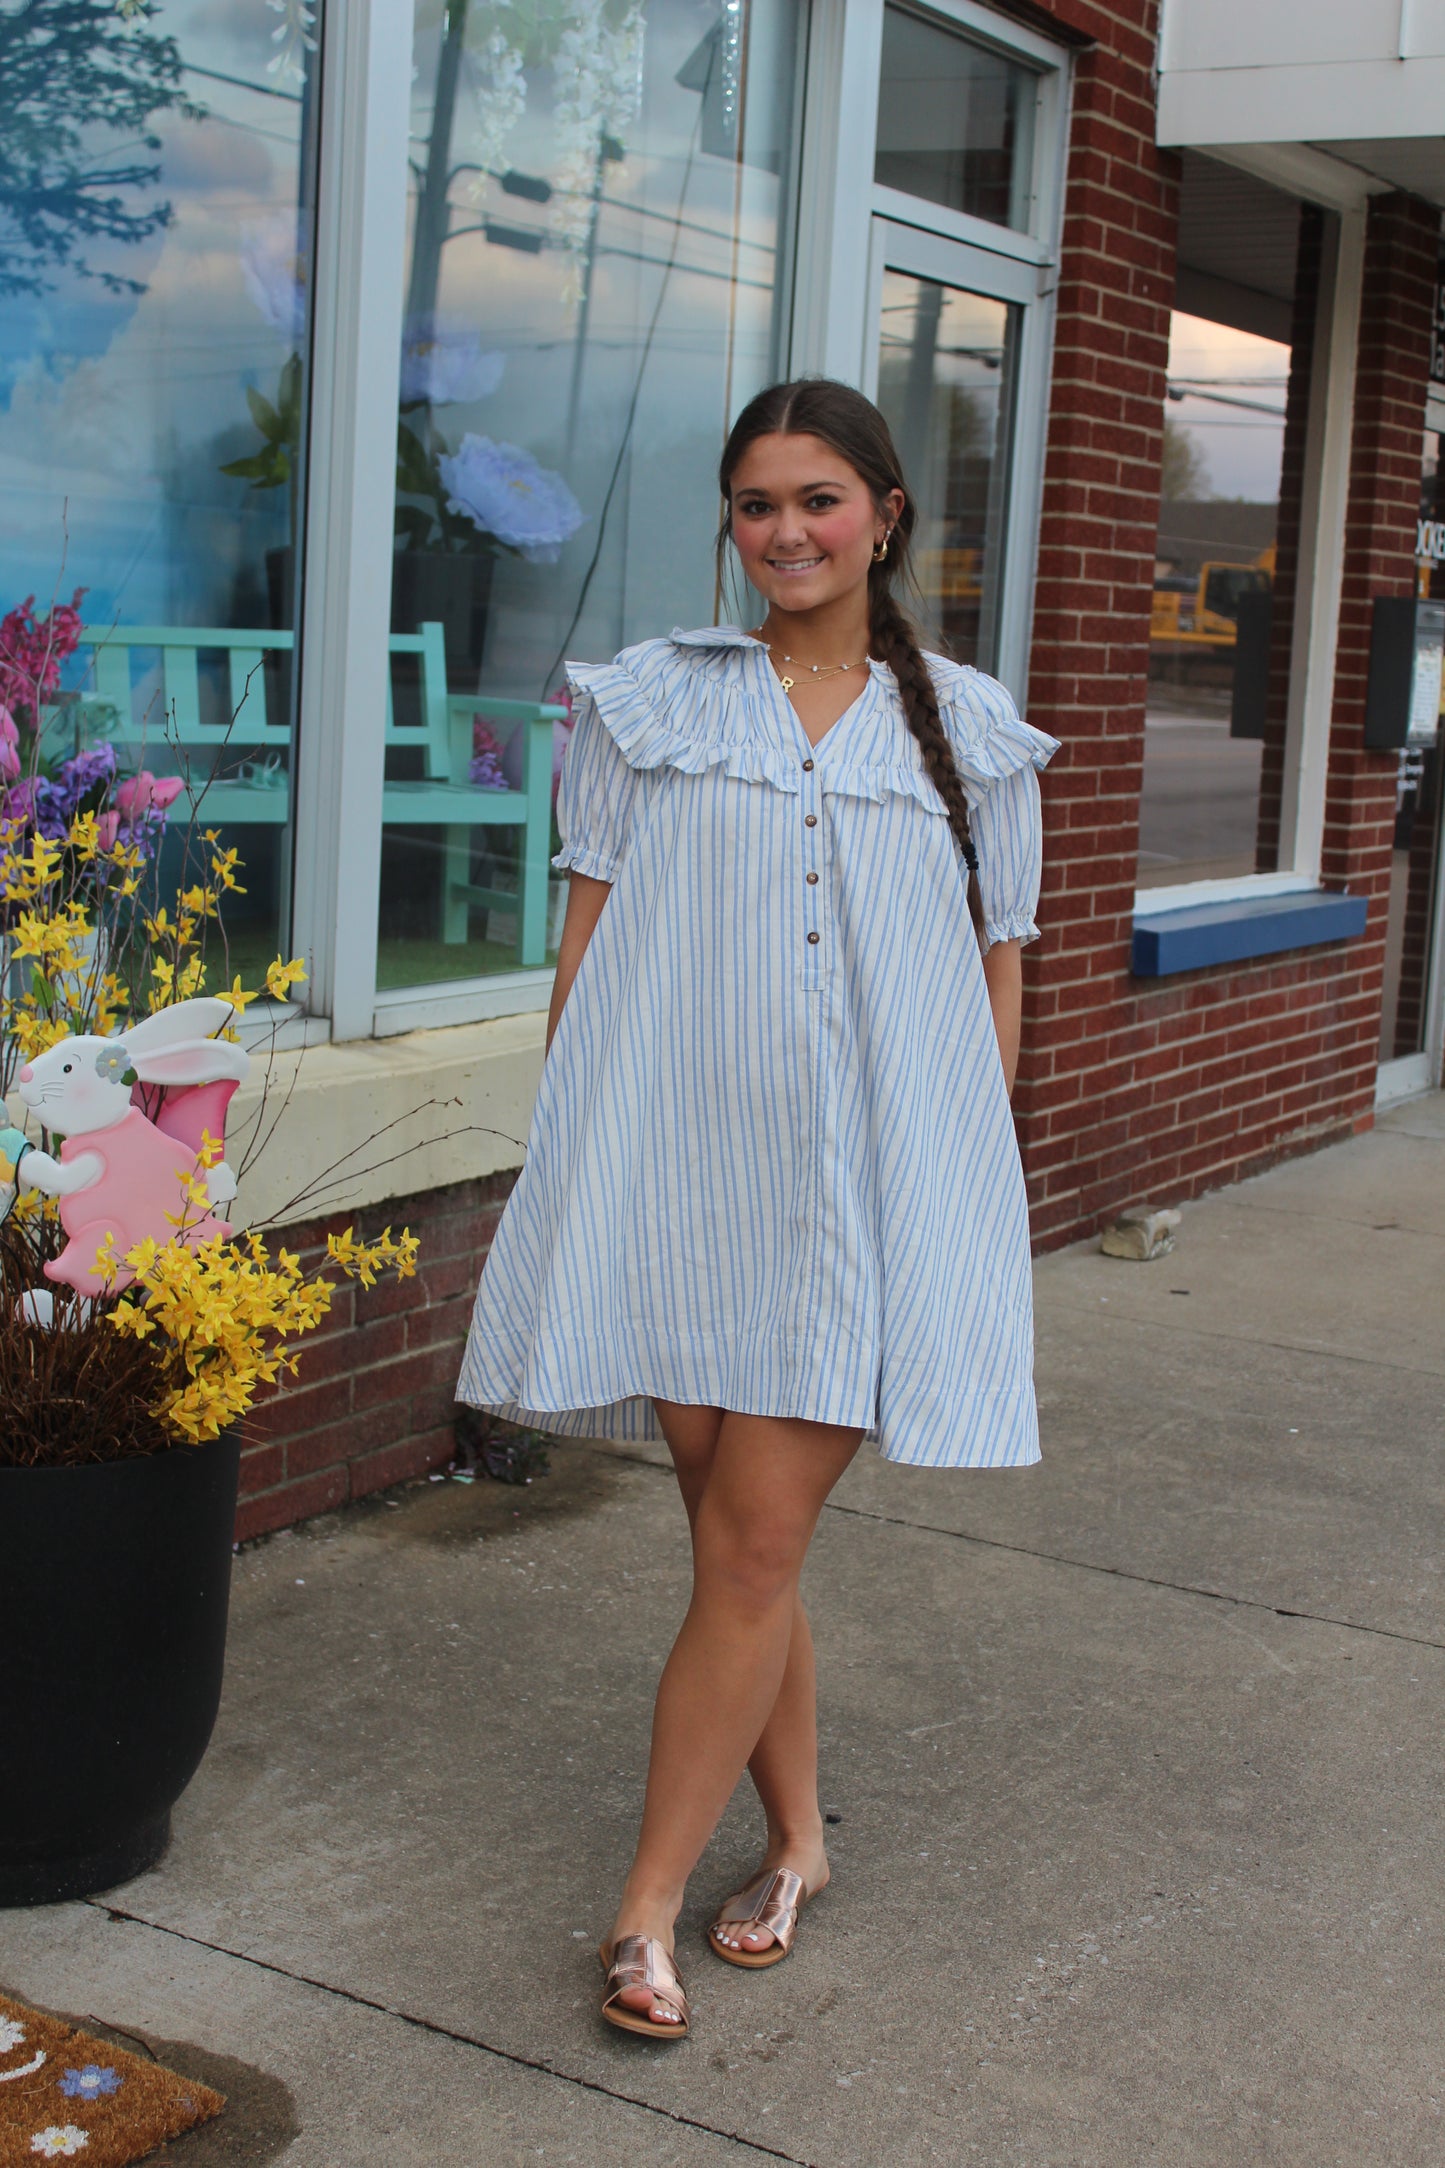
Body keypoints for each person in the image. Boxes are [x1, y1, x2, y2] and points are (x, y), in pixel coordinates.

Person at [457, 376, 1059, 2041]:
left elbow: (993, 975)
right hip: (679, 1177)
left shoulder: (972, 731)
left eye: (816, 500)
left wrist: (964, 1176)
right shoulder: (648, 701)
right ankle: (795, 1844)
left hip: (863, 1197)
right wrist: (574, 1150)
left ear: (882, 514)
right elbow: (588, 944)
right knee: (735, 1544)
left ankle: (640, 1911)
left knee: (754, 1541)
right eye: (753, 504)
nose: (785, 533)